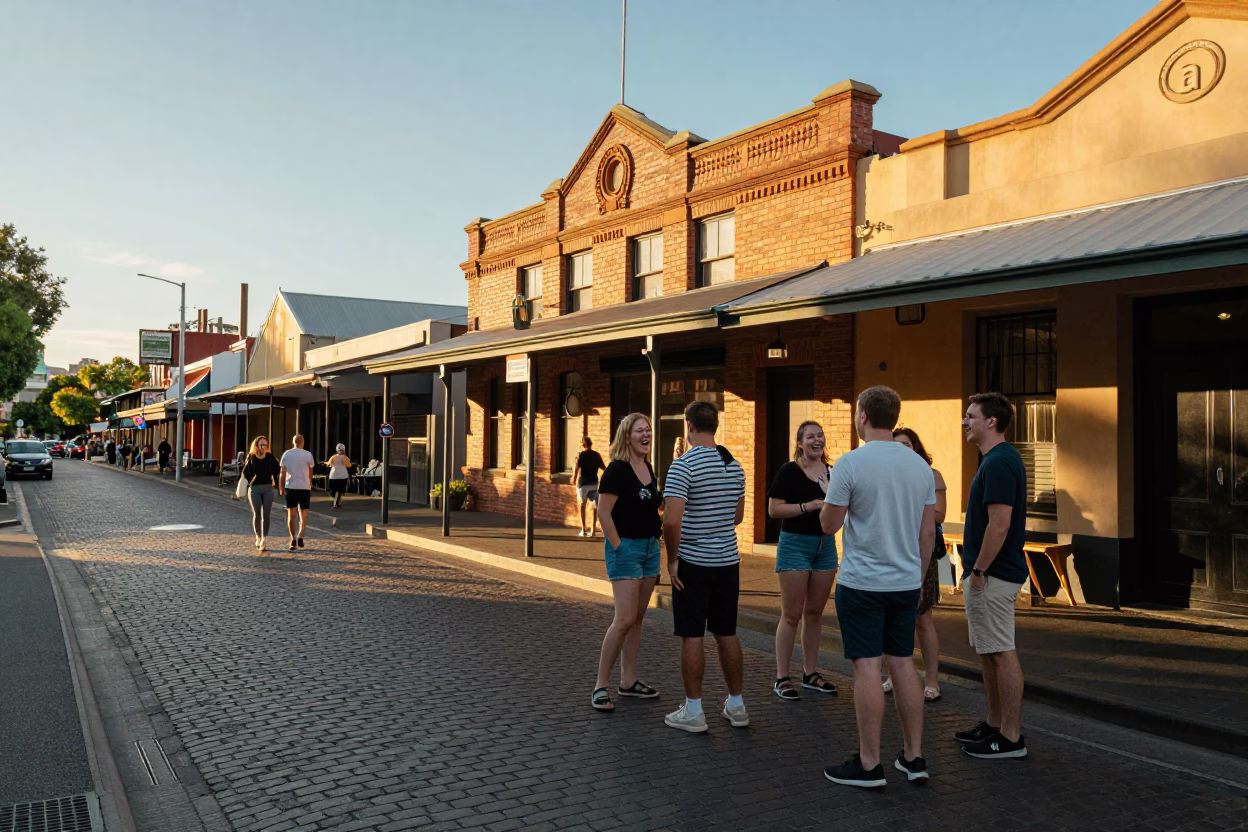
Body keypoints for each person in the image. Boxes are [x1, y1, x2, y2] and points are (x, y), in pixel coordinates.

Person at [820, 386, 936, 788]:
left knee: (868, 666)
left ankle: (870, 764)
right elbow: (926, 535)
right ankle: (914, 756)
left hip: (863, 582)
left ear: (862, 417)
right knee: (903, 663)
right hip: (905, 583)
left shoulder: (850, 464)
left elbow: (829, 525)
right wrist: (918, 580)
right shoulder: (920, 467)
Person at [661, 401, 748, 734]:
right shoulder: (735, 466)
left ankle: (694, 711)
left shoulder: (683, 466)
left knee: (692, 634)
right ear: (716, 426)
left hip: (693, 563)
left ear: (689, 426)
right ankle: (737, 705)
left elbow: (671, 521)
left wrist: (672, 559)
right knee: (727, 632)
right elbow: (738, 517)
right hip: (728, 562)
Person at [956, 392, 1029, 760]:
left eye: (970, 416)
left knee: (1001, 652)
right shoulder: (995, 459)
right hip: (986, 573)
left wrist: (980, 571)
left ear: (991, 422)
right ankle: (995, 723)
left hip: (993, 575)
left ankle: (1011, 738)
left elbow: (999, 525)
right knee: (989, 652)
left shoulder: (999, 462)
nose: (965, 422)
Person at [591, 413, 663, 712]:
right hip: (626, 550)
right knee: (622, 620)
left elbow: (652, 504)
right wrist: (619, 548)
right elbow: (603, 513)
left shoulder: (647, 467)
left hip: (650, 549)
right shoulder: (617, 471)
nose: (646, 434)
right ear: (627, 436)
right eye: (640, 431)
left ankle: (628, 681)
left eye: (648, 430)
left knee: (637, 620)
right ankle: (600, 686)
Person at [767, 420, 839, 700]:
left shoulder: (832, 472)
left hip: (825, 546)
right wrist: (806, 507)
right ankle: (782, 677)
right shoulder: (789, 471)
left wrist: (831, 494)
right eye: (810, 436)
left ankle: (810, 673)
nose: (817, 440)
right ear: (799, 443)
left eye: (820, 435)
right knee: (792, 614)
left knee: (814, 614)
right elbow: (773, 510)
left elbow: (839, 512)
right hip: (795, 544)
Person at [883, 427, 947, 703]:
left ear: (917, 448)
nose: (902, 450)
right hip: (892, 551)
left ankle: (932, 681)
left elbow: (940, 514)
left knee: (922, 619)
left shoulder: (931, 476)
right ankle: (893, 675)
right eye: (896, 445)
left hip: (921, 551)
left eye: (907, 444)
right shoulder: (885, 477)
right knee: (891, 618)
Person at [241, 436, 280, 552]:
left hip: (268, 488)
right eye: (262, 445)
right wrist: (252, 479)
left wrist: (277, 483)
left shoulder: (269, 457)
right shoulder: (252, 457)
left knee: (266, 514)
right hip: (255, 489)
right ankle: (258, 536)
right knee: (257, 513)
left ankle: (264, 539)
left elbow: (277, 469)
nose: (264, 447)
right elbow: (245, 472)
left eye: (265, 445)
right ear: (256, 445)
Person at [279, 435, 316, 552]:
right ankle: (301, 535)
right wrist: (309, 482)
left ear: (293, 442)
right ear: (302, 443)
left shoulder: (287, 454)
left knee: (292, 514)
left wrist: (281, 487)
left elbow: (282, 473)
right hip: (304, 487)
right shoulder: (308, 454)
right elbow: (311, 470)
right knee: (303, 513)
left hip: (291, 487)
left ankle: (292, 538)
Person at [571, 437, 606, 537]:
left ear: (584, 445)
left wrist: (573, 479)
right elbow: (604, 467)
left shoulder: (581, 455)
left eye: (582, 445)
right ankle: (593, 530)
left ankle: (583, 529)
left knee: (582, 505)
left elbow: (577, 469)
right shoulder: (596, 455)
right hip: (594, 483)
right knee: (595, 506)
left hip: (583, 484)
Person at [327, 443, 352, 509]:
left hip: (333, 476)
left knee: (333, 490)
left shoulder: (333, 457)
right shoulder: (345, 458)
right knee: (339, 491)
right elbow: (349, 465)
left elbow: (329, 464)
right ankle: (336, 503)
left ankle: (335, 501)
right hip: (342, 476)